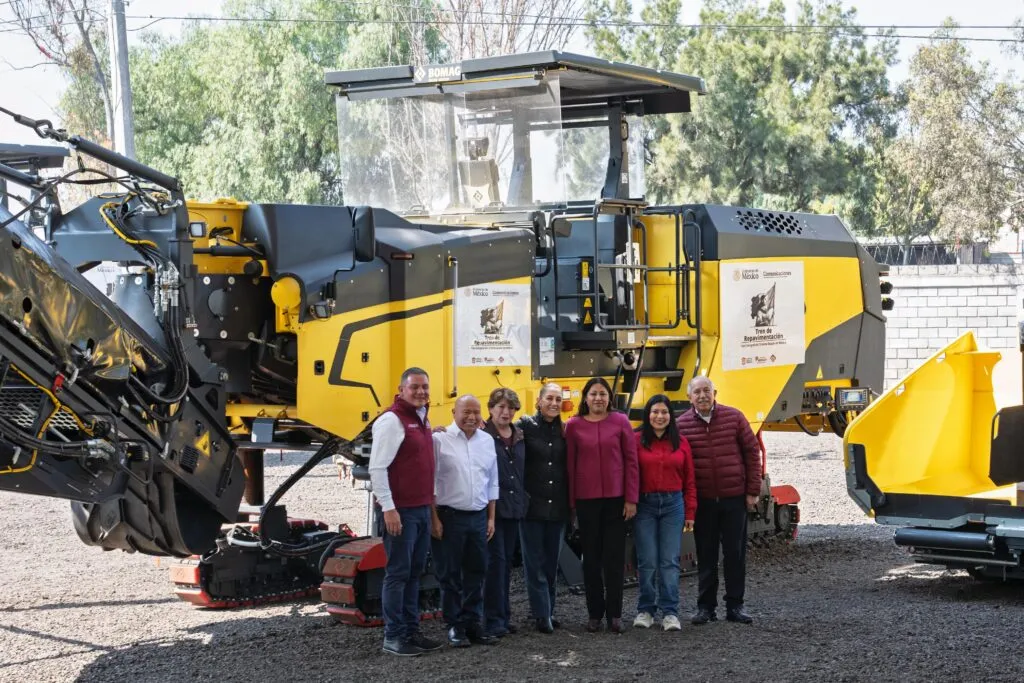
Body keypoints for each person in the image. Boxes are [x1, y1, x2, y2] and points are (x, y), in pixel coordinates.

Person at [368, 367, 445, 657]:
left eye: (425, 386)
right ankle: (394, 636)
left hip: (420, 509)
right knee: (398, 574)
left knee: (414, 573)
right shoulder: (391, 420)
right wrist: (389, 508)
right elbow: (377, 467)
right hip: (400, 511)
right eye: (415, 387)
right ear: (401, 389)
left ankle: (412, 632)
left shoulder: (421, 419)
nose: (421, 392)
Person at [676, 376, 761, 625]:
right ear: (689, 397)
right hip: (703, 502)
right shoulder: (681, 426)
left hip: (734, 498)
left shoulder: (734, 417)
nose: (702, 396)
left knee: (735, 554)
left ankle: (735, 606)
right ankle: (706, 607)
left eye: (707, 391)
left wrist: (752, 490)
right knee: (706, 554)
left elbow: (751, 452)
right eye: (697, 392)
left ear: (715, 393)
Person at [565, 377, 639, 634]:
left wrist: (631, 499)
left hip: (616, 501)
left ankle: (615, 614)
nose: (598, 398)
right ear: (585, 398)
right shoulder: (573, 426)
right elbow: (570, 466)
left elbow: (631, 461)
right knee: (591, 559)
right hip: (586, 501)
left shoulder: (620, 422)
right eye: (593, 394)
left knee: (614, 558)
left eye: (603, 394)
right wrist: (572, 504)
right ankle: (595, 613)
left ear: (610, 398)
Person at [431, 394, 500, 647]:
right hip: (449, 517)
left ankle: (473, 622)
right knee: (449, 574)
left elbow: (492, 481)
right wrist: (434, 518)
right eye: (466, 412)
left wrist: (491, 517)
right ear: (453, 412)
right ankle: (454, 625)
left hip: (479, 516)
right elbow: (430, 482)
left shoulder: (487, 441)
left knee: (477, 571)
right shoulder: (439, 440)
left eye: (476, 412)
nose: (471, 417)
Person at [631, 394, 696, 632]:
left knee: (669, 561)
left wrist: (690, 511)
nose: (660, 416)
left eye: (664, 412)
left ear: (671, 416)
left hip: (673, 505)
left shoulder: (681, 443)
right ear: (648, 415)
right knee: (647, 560)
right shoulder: (636, 440)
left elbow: (690, 480)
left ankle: (670, 612)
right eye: (655, 412)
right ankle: (646, 609)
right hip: (644, 504)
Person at [517, 382, 568, 634]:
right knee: (534, 563)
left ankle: (549, 609)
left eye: (558, 399)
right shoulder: (525, 426)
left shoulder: (565, 430)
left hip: (557, 507)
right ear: (539, 401)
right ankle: (541, 614)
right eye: (549, 398)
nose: (554, 403)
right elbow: (499, 435)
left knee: (551, 562)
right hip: (531, 508)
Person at [482, 388, 527, 638]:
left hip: (513, 509)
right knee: (494, 565)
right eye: (500, 407)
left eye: (510, 408)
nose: (505, 412)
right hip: (492, 511)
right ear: (490, 409)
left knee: (505, 564)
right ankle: (492, 620)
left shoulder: (519, 435)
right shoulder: (482, 435)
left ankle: (504, 615)